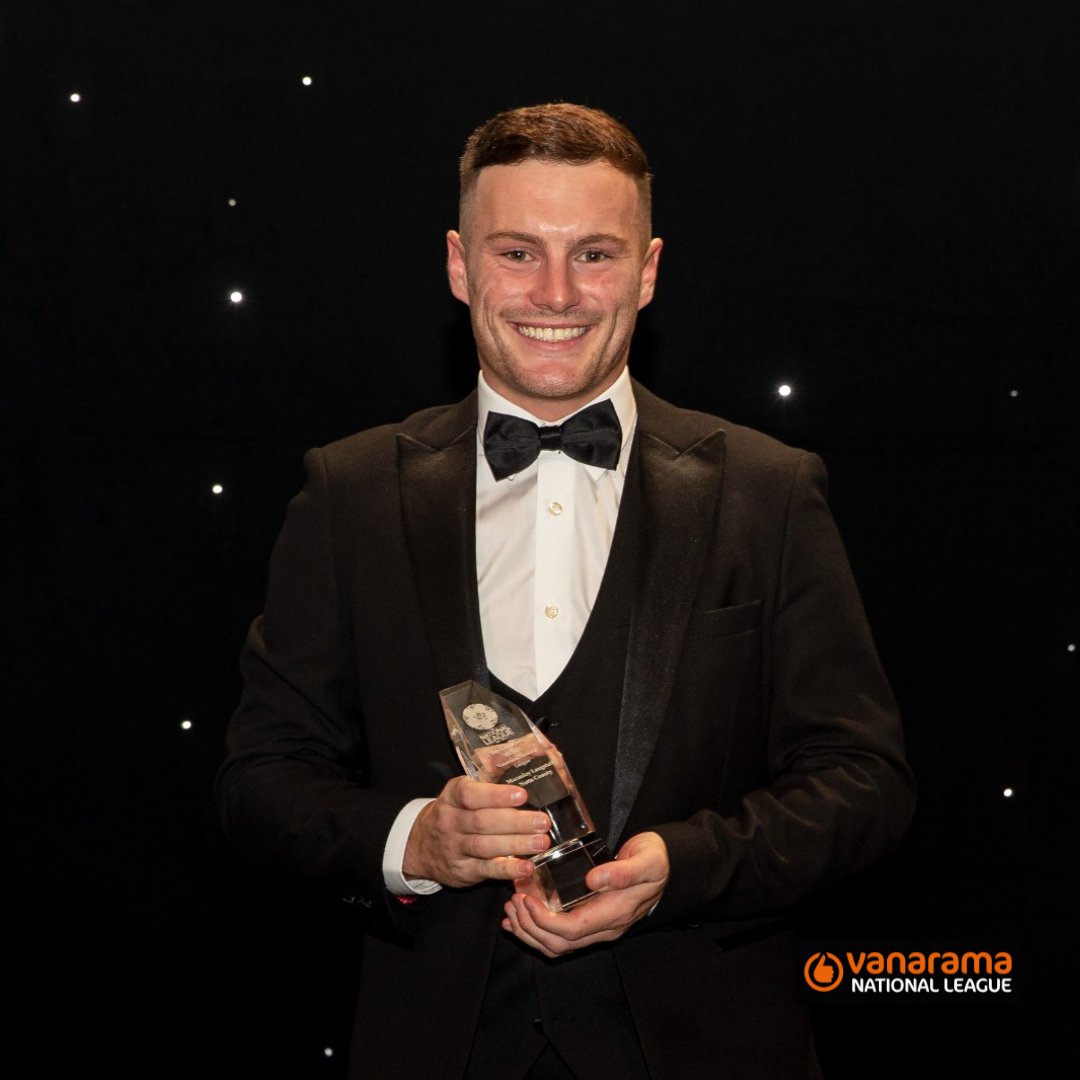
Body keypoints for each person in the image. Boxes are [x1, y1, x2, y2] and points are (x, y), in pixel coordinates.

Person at [217, 102, 915, 1079]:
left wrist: (682, 867)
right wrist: (417, 839)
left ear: (649, 269)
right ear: (460, 266)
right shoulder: (349, 491)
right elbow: (259, 786)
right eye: (517, 253)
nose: (556, 292)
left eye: (594, 253)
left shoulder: (771, 490)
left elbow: (866, 786)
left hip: (708, 1049)